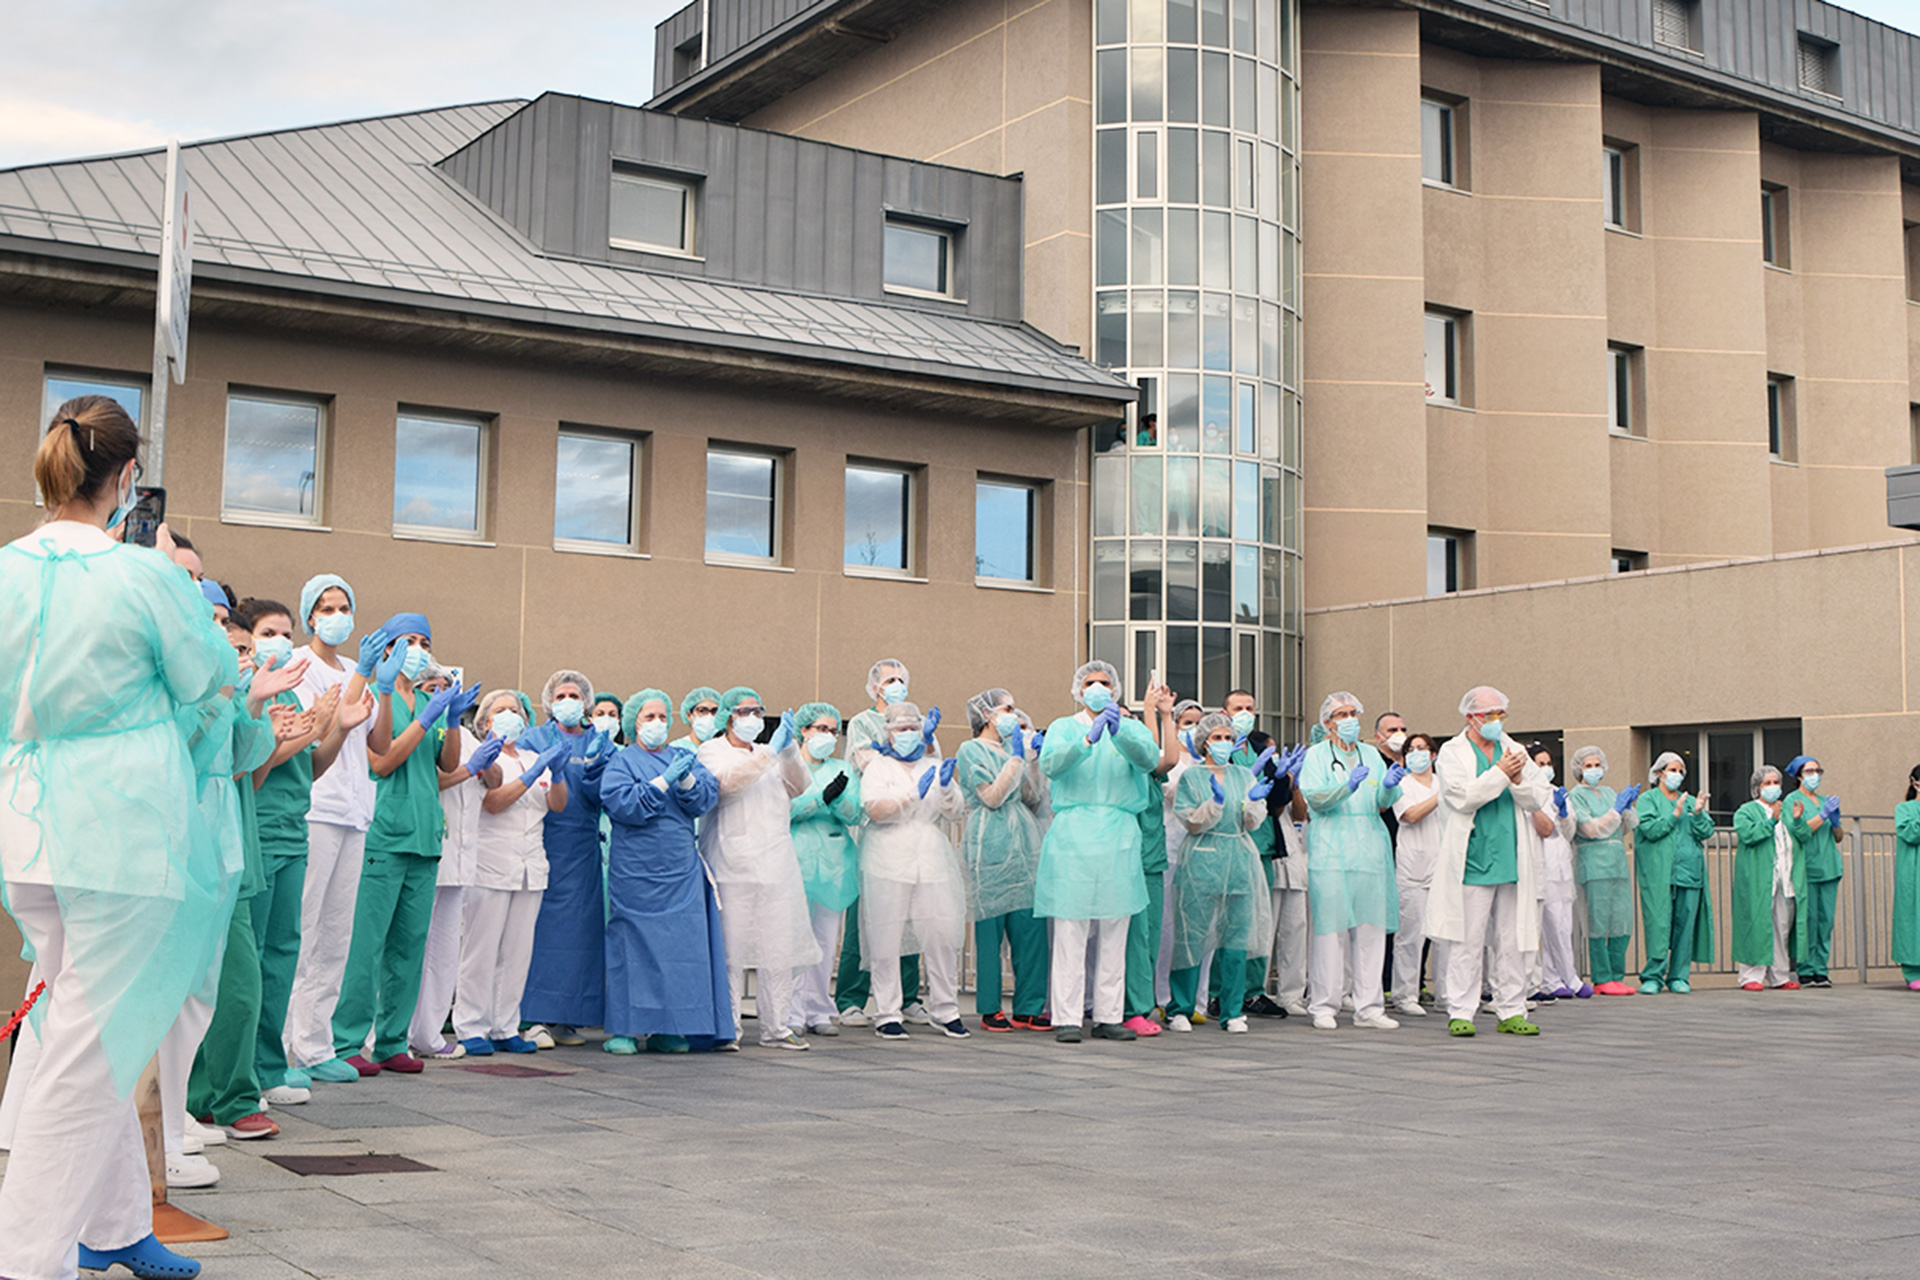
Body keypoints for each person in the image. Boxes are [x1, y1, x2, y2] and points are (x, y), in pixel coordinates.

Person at [0, 396, 230, 1280]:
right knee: (88, 1055)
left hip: (28, 829)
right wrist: (169, 575)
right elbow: (206, 676)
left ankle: (115, 1223)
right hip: (125, 836)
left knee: (86, 1024)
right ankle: (27, 1262)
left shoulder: (9, 569)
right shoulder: (142, 577)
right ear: (129, 478)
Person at [319, 617, 478, 1078]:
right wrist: (422, 717)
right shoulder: (374, 699)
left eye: (425, 642)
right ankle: (347, 1040)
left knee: (409, 947)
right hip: (384, 835)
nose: (417, 648)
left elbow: (445, 764)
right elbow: (382, 760)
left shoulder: (430, 698)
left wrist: (449, 718)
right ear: (386, 648)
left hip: (424, 836)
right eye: (407, 641)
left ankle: (391, 1040)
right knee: (366, 945)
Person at [184, 604, 319, 1144]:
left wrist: (259, 706)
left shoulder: (243, 697)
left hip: (231, 856)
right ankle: (193, 1103)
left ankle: (232, 1097)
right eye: (241, 645)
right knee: (187, 996)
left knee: (240, 984)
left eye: (244, 647)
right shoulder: (190, 693)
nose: (244, 656)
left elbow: (245, 766)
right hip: (186, 857)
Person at [248, 597, 370, 1109]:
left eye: (284, 631)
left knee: (283, 952)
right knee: (251, 962)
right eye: (268, 633)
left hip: (292, 832)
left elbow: (313, 766)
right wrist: (307, 732)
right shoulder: (251, 697)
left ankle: (272, 1064)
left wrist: (336, 727)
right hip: (258, 833)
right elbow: (253, 764)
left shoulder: (297, 694)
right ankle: (246, 1070)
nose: (279, 641)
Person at [284, 574, 382, 1080]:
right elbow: (326, 722)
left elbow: (374, 738)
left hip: (354, 812)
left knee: (336, 936)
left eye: (344, 605)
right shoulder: (300, 666)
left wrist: (376, 679)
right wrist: (363, 676)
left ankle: (317, 1046)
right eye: (325, 607)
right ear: (309, 615)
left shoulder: (351, 668)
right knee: (301, 931)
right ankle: (280, 1050)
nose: (336, 615)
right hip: (316, 808)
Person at [1036, 660, 1159, 1043]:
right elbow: (1051, 764)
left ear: (1116, 689)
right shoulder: (1063, 727)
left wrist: (1120, 733)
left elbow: (1151, 760)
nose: (1098, 688)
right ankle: (1068, 1018)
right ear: (1078, 689)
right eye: (1090, 682)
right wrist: (1087, 740)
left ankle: (1108, 1015)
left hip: (1119, 835)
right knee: (1071, 930)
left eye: (1105, 682)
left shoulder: (1131, 729)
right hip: (1074, 835)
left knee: (1115, 929)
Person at [599, 689, 728, 1053]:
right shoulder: (622, 762)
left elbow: (705, 799)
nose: (657, 724)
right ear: (633, 723)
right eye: (647, 717)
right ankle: (624, 1028)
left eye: (661, 717)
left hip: (679, 871)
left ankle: (671, 1027)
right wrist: (662, 782)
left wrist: (685, 780)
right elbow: (623, 805)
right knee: (632, 947)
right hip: (635, 872)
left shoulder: (685, 758)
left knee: (679, 951)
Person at [697, 688, 821, 1049]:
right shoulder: (712, 750)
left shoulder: (773, 752)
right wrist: (769, 752)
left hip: (776, 864)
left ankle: (777, 1027)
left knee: (777, 948)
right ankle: (728, 1029)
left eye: (758, 710)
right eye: (743, 710)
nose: (752, 717)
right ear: (728, 717)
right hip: (731, 864)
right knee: (731, 951)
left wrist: (788, 750)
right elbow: (726, 785)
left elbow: (798, 786)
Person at [1427, 686, 1551, 1037]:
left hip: (1512, 858)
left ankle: (1511, 1009)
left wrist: (1516, 780)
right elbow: (1463, 797)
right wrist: (1500, 774)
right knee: (1468, 939)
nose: (1496, 721)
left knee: (1512, 940)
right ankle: (1461, 1010)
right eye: (1488, 715)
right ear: (1470, 717)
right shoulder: (1451, 752)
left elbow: (1536, 796)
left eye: (1501, 714)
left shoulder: (1514, 750)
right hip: (1474, 857)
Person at [455, 691, 564, 1055]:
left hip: (530, 865)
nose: (508, 716)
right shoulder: (484, 756)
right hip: (490, 863)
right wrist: (532, 776)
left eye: (515, 710)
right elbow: (494, 802)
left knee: (518, 952)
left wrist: (557, 773)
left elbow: (558, 805)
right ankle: (471, 1026)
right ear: (485, 722)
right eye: (499, 711)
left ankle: (505, 1025)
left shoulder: (536, 757)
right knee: (481, 950)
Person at [857, 702, 970, 1039]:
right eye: (899, 729)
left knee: (940, 935)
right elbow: (875, 810)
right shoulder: (878, 768)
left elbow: (955, 812)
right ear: (887, 734)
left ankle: (946, 1009)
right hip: (887, 856)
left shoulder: (934, 766)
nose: (907, 734)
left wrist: (947, 788)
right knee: (885, 936)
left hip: (930, 856)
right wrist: (910, 795)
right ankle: (887, 1012)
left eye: (912, 728)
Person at [1298, 692, 1402, 1031]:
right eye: (1341, 714)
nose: (1349, 720)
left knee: (1371, 931)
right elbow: (1315, 798)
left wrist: (1387, 786)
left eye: (1353, 712)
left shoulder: (1371, 754)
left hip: (1369, 850)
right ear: (1327, 722)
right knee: (1330, 932)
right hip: (1331, 851)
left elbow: (1383, 803)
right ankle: (1324, 1004)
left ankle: (1369, 1007)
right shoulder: (1315, 756)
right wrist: (1346, 785)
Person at [520, 670, 614, 1044]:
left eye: (575, 695)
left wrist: (594, 769)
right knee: (543, 932)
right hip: (543, 841)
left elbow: (609, 794)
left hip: (583, 848)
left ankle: (566, 1018)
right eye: (561, 695)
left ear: (587, 702)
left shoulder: (600, 742)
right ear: (549, 702)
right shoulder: (535, 738)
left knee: (581, 934)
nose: (569, 701)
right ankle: (535, 1017)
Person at [1165, 714, 1275, 1033]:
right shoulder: (1191, 777)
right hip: (1201, 859)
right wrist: (1214, 802)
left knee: (1236, 939)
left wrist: (1252, 804)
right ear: (1204, 742)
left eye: (1229, 737)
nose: (1225, 743)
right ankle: (1180, 1008)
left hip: (1239, 860)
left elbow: (1252, 822)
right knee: (1191, 938)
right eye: (1217, 737)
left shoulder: (1243, 775)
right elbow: (1190, 820)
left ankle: (1231, 1010)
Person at [409, 663, 496, 1061]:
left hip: (462, 858)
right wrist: (468, 769)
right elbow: (436, 778)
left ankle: (428, 1033)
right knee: (410, 946)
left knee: (444, 953)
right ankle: (390, 1033)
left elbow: (492, 780)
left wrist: (486, 754)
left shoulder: (462, 734)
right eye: (432, 687)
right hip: (426, 850)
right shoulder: (416, 731)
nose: (441, 693)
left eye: (447, 688)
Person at [836, 659, 930, 1026]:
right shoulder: (862, 722)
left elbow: (927, 763)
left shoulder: (917, 723)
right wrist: (896, 753)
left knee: (908, 917)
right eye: (889, 680)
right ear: (875, 686)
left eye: (901, 679)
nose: (896, 685)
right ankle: (850, 998)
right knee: (866, 917)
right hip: (874, 825)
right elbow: (865, 760)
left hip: (910, 830)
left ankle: (908, 997)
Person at [957, 690, 1047, 1033]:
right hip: (989, 845)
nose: (1013, 714)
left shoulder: (1015, 753)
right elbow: (991, 797)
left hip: (1023, 846)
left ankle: (1028, 1006)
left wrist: (1031, 761)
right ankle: (990, 1006)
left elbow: (1032, 799)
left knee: (1030, 929)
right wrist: (1015, 761)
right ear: (987, 715)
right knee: (989, 929)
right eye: (1006, 709)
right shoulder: (971, 750)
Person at [788, 703, 862, 1037]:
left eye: (833, 731)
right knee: (793, 940)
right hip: (795, 862)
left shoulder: (842, 767)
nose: (828, 736)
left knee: (823, 940)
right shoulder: (787, 764)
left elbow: (854, 813)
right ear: (803, 730)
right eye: (820, 729)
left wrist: (838, 800)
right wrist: (820, 798)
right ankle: (790, 1011)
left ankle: (818, 1009)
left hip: (833, 866)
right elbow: (783, 809)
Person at [1121, 683, 1180, 1036]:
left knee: (1151, 935)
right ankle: (1132, 1008)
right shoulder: (1123, 769)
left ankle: (1142, 1004)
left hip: (1152, 858)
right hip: (1125, 858)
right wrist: (1146, 712)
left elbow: (1168, 758)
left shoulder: (1149, 772)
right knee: (1133, 937)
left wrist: (1165, 714)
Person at [1633, 752, 1715, 995]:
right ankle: (1653, 976)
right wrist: (1674, 815)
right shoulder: (1648, 800)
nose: (1677, 775)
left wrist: (1698, 813)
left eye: (1681, 771)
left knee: (1685, 925)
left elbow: (1706, 831)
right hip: (1659, 874)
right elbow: (1649, 830)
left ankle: (1679, 976)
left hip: (1689, 874)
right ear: (1659, 773)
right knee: (1659, 923)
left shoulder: (1689, 800)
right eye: (1672, 769)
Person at [1565, 745, 1639, 996]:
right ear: (1578, 769)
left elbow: (1624, 827)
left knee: (1620, 921)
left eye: (1597, 765)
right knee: (1597, 923)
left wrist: (1628, 808)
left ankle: (1617, 976)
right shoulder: (1577, 796)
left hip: (1617, 863)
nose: (1594, 769)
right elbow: (1589, 829)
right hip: (1593, 865)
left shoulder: (1609, 793)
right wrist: (1615, 811)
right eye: (1588, 766)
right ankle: (1602, 977)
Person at [1732, 765, 1800, 991]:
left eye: (1776, 783)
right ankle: (1751, 975)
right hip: (1757, 878)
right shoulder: (1746, 811)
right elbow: (1748, 835)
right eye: (1767, 783)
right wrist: (1772, 820)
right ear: (1757, 787)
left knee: (1781, 927)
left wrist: (1797, 821)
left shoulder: (1787, 812)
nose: (1773, 787)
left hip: (1783, 878)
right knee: (1755, 924)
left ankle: (1780, 975)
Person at [1389, 733, 1442, 1016]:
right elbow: (1410, 815)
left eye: (1422, 749)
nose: (1416, 753)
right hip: (1413, 869)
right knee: (1410, 936)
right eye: (1411, 749)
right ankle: (1405, 995)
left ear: (1433, 755)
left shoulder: (1444, 783)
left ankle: (1448, 994)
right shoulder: (1402, 783)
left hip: (1443, 866)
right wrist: (1441, 797)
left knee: (1447, 936)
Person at [1783, 755, 1843, 987]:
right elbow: (1800, 832)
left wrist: (1836, 822)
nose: (1814, 775)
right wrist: (1823, 815)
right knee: (1807, 920)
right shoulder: (1792, 801)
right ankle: (1806, 969)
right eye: (1809, 771)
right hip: (1806, 868)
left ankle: (1821, 968)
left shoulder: (1823, 800)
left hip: (1829, 867)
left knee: (1825, 922)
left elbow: (1837, 837)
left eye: (1818, 771)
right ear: (1799, 775)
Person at [1531, 746, 1582, 1001]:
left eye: (1549, 763)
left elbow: (1569, 830)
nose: (1546, 768)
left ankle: (1566, 975)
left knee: (1563, 924)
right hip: (1542, 863)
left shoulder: (1557, 793)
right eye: (1540, 763)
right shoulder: (1528, 793)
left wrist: (1563, 812)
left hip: (1561, 865)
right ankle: (1551, 978)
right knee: (1548, 925)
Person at [1894, 766, 1920, 992]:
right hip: (1914, 874)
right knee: (1912, 919)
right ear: (1915, 783)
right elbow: (1910, 834)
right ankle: (1913, 971)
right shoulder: (1905, 809)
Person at [669, 686, 722, 754]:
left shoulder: (725, 751)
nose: (709, 716)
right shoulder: (676, 749)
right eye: (702, 711)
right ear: (689, 715)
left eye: (715, 711)